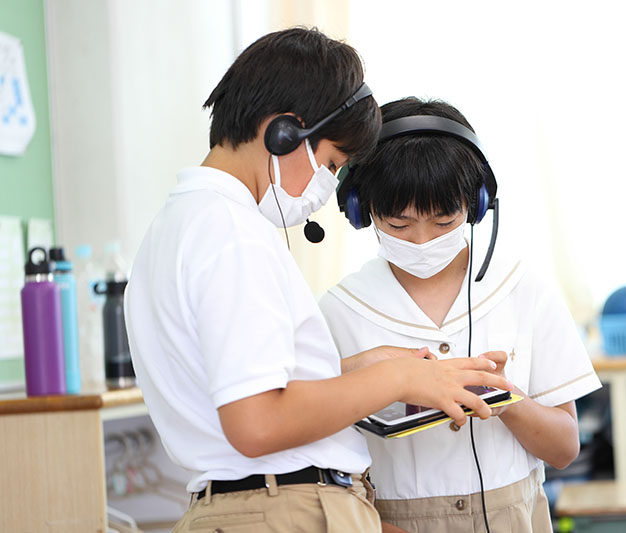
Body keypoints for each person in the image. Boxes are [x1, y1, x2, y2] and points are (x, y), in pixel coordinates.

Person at [124, 29, 511, 533]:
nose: (328, 185)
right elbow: (257, 423)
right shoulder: (232, 234)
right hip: (281, 506)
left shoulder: (182, 224)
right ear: (284, 132)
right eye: (331, 162)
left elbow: (236, 387)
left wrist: (356, 369)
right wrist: (398, 379)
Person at [319, 97, 602, 532]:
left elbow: (565, 448)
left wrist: (502, 397)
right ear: (360, 209)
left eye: (443, 220)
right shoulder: (339, 310)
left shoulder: (524, 289)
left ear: (477, 204)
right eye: (398, 224)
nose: (421, 240)